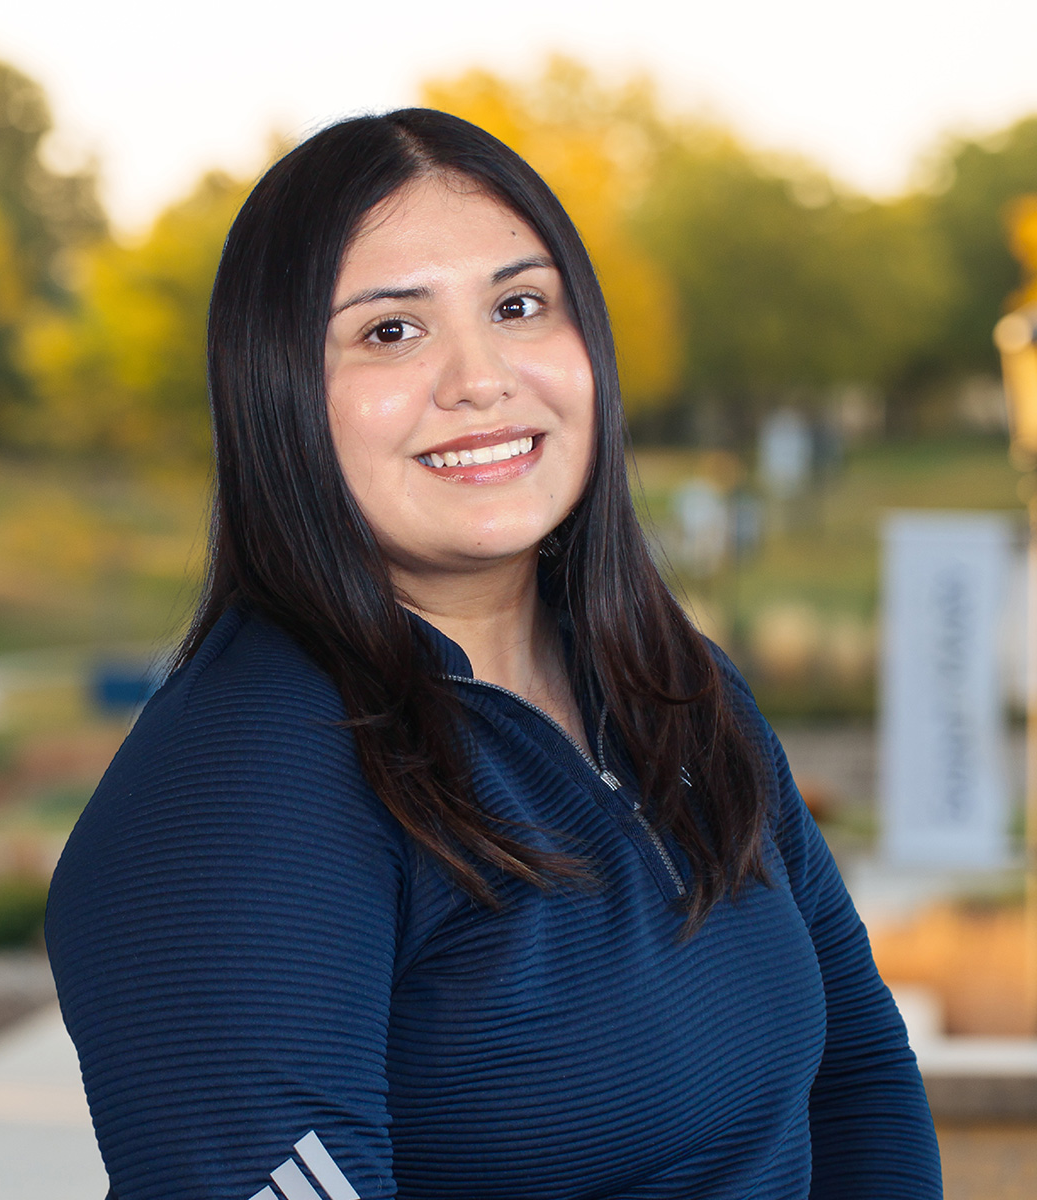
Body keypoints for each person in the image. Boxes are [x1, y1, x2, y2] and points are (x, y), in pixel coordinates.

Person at [45, 109, 942, 1200]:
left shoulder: (676, 684)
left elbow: (857, 1078)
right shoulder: (233, 799)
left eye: (519, 307)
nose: (479, 378)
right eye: (390, 331)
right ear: (274, 390)